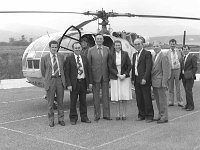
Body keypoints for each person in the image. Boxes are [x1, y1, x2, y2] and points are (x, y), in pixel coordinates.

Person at [64, 42, 92, 125]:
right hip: (74, 83)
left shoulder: (84, 57)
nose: (77, 49)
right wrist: (68, 84)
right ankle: (73, 118)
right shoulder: (69, 58)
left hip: (83, 82)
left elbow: (88, 71)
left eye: (79, 47)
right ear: (73, 49)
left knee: (83, 101)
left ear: (81, 48)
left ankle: (84, 117)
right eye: (76, 48)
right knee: (73, 102)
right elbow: (67, 73)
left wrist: (90, 82)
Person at [41, 40, 66, 127]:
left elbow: (64, 69)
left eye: (56, 47)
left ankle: (61, 119)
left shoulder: (61, 57)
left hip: (59, 80)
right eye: (53, 47)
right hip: (50, 81)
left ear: (57, 48)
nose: (54, 49)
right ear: (50, 48)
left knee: (60, 102)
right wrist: (49, 78)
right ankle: (51, 120)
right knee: (50, 103)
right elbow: (43, 71)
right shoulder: (45, 58)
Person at [87, 33, 111, 121]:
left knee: (105, 96)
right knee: (96, 97)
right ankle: (97, 115)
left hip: (105, 76)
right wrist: (90, 80)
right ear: (95, 40)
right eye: (98, 39)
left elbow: (109, 63)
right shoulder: (90, 50)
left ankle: (106, 115)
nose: (99, 40)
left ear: (103, 40)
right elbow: (88, 65)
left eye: (101, 39)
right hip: (95, 77)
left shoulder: (107, 49)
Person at [131, 38, 154, 123]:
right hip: (137, 79)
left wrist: (145, 78)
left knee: (147, 98)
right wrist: (133, 79)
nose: (137, 46)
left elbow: (148, 67)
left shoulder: (147, 53)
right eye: (135, 44)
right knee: (139, 98)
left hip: (144, 79)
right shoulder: (134, 55)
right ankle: (141, 115)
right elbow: (134, 68)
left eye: (138, 44)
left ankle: (149, 116)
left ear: (142, 44)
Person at [108, 40, 132, 120]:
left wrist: (124, 75)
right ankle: (118, 114)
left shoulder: (125, 54)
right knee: (117, 96)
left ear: (121, 46)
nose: (117, 47)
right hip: (115, 77)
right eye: (116, 45)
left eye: (119, 45)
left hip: (124, 77)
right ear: (114, 46)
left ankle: (124, 114)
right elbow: (110, 67)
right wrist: (118, 75)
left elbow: (129, 66)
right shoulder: (111, 55)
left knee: (124, 96)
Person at [151, 42, 170, 124]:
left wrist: (164, 83)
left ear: (160, 47)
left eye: (157, 46)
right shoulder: (154, 56)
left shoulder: (163, 56)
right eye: (154, 46)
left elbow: (166, 71)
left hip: (160, 82)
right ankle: (160, 114)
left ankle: (164, 116)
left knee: (162, 100)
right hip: (154, 82)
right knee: (158, 100)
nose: (155, 47)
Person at [166, 39, 184, 107]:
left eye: (173, 44)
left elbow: (182, 60)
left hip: (177, 70)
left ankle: (180, 101)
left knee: (178, 87)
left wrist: (182, 71)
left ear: (175, 44)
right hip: (170, 70)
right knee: (170, 87)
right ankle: (171, 101)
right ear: (169, 44)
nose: (172, 45)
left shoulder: (179, 51)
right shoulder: (167, 53)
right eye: (171, 44)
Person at [180, 45, 197, 111]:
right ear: (182, 50)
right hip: (184, 77)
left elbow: (195, 67)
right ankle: (187, 104)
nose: (185, 50)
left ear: (189, 50)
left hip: (190, 77)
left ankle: (191, 106)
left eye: (186, 49)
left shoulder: (192, 57)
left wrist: (192, 75)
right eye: (184, 49)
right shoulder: (182, 57)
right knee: (186, 91)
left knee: (188, 91)